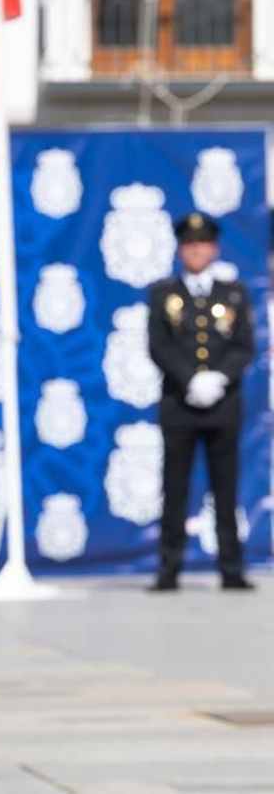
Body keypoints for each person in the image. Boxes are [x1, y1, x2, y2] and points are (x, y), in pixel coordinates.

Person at [146, 212, 256, 592]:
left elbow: (244, 346)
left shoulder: (234, 293)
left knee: (226, 490)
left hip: (223, 406)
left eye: (203, 243)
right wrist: (190, 378)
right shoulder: (163, 294)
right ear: (180, 249)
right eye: (190, 244)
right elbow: (158, 344)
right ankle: (168, 569)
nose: (196, 249)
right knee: (174, 489)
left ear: (214, 248)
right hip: (179, 404)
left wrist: (218, 377)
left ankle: (231, 568)